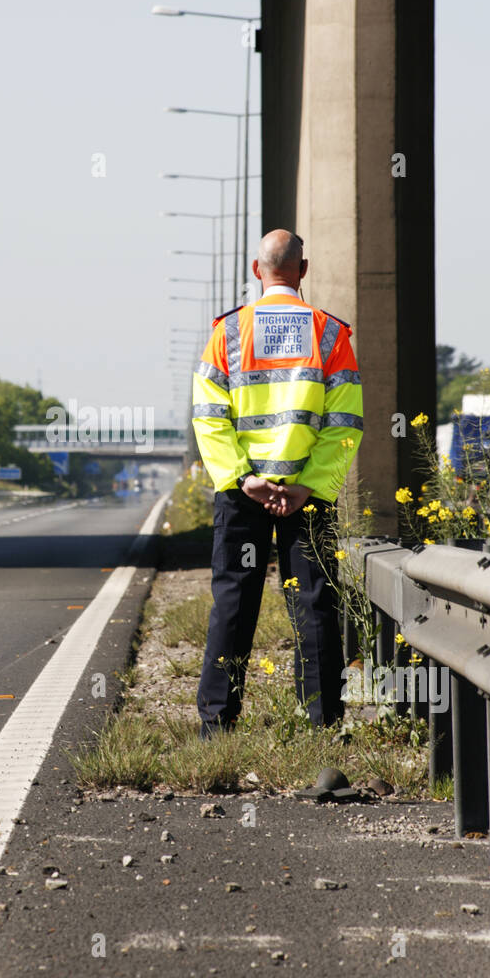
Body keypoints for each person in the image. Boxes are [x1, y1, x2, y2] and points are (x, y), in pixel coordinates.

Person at [191, 229, 363, 738]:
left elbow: (209, 417)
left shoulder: (228, 333)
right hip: (304, 499)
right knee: (313, 604)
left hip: (243, 496)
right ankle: (323, 722)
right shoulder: (330, 334)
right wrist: (308, 486)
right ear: (303, 271)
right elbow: (345, 424)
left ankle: (216, 726)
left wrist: (242, 479)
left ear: (255, 269)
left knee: (234, 602)